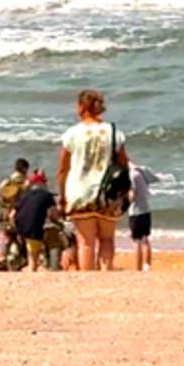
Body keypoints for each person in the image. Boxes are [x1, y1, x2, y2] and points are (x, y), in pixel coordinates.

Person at [54, 89, 127, 272]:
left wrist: (62, 196)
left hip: (80, 192)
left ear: (82, 107)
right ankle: (106, 272)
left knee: (85, 242)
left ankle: (88, 280)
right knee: (107, 239)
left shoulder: (72, 133)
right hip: (107, 193)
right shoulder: (113, 132)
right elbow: (123, 163)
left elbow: (63, 168)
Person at [11, 169, 56, 270]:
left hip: (21, 228)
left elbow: (12, 215)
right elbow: (54, 215)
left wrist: (18, 229)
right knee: (33, 261)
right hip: (33, 230)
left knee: (30, 246)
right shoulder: (47, 196)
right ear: (43, 183)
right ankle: (33, 270)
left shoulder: (24, 196)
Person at [0, 157, 31, 270]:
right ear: (25, 169)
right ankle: (23, 261)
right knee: (23, 239)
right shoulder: (26, 183)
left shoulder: (6, 183)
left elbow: (1, 201)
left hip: (6, 216)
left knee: (7, 237)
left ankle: (2, 258)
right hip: (21, 217)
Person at [125, 159, 155, 271]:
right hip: (146, 210)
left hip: (135, 212)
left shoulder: (131, 176)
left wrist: (124, 200)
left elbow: (132, 195)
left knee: (136, 240)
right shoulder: (141, 173)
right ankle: (147, 265)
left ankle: (138, 268)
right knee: (145, 239)